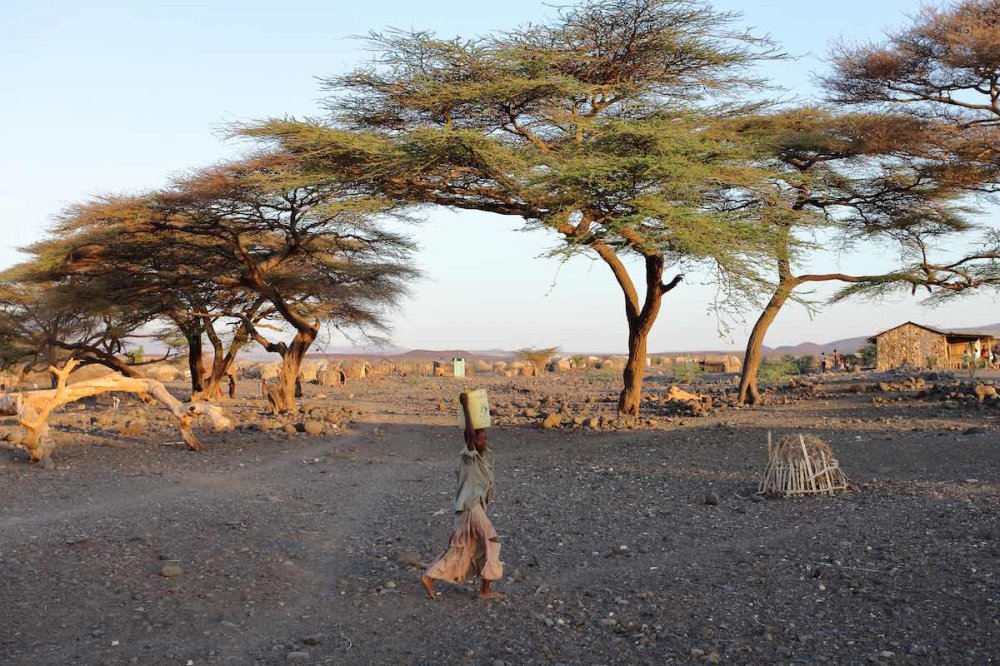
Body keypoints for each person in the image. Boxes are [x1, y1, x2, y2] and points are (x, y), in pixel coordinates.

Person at [421, 392, 503, 601]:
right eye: (481, 437)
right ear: (472, 440)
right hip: (470, 507)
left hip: (470, 510)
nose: (485, 440)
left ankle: (430, 576)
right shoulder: (469, 456)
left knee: (464, 548)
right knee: (491, 540)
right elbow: (469, 434)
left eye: (485, 437)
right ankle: (484, 590)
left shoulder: (482, 460)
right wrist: (466, 407)